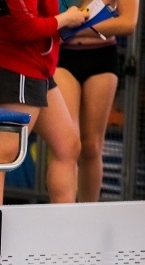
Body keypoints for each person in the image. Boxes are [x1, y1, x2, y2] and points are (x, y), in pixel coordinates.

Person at [0, 2, 88, 205]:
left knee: (68, 147)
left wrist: (70, 21)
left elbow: (43, 22)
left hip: (39, 70)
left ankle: (65, 225)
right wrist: (66, 19)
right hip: (19, 69)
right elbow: (23, 28)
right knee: (3, 153)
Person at [54, 0, 140, 202]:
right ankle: (61, 215)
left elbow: (127, 23)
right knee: (67, 145)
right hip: (62, 57)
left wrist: (73, 27)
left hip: (101, 57)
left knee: (92, 146)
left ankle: (88, 212)